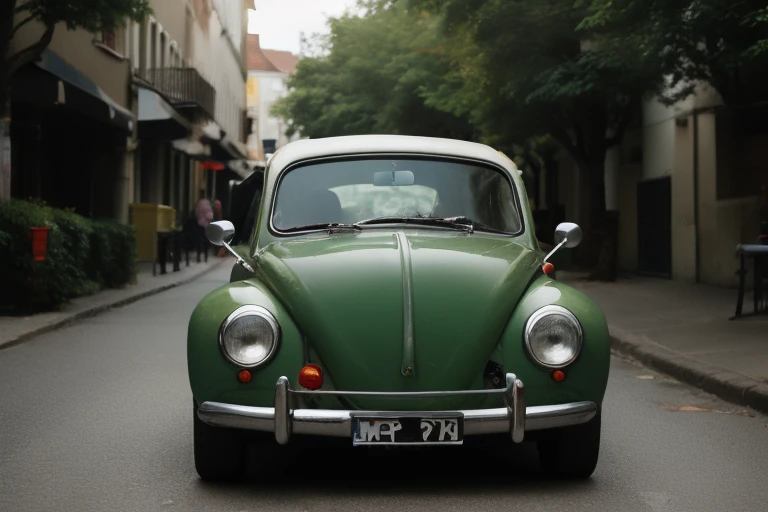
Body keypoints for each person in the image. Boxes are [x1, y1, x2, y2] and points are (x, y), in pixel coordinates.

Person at [194, 190, 213, 262]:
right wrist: (208, 220)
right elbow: (210, 214)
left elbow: (196, 213)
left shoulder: (198, 203)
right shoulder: (207, 203)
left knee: (199, 241)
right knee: (206, 242)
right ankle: (205, 257)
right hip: (206, 225)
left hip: (199, 224)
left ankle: (198, 257)